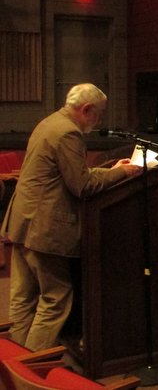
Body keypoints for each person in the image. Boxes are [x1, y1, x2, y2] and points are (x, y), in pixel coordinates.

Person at [1, 83, 141, 351]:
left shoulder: (50, 122)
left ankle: (15, 363)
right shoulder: (68, 132)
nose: (99, 120)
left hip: (22, 222)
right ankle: (34, 365)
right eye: (98, 114)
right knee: (56, 299)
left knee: (23, 299)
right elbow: (82, 186)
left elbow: (70, 174)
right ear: (86, 109)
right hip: (43, 228)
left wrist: (112, 169)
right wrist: (123, 173)